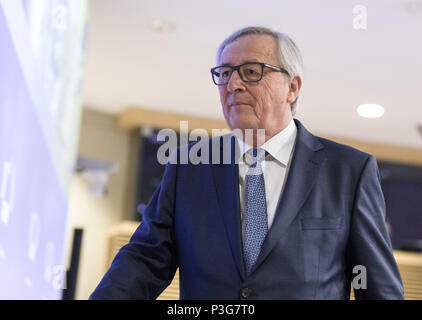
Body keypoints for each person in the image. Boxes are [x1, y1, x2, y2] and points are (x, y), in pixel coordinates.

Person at [90, 26, 404, 299]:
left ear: (292, 88)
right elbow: (144, 261)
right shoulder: (189, 168)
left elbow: (377, 288)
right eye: (224, 73)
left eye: (251, 71)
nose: (233, 84)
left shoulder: (349, 172)